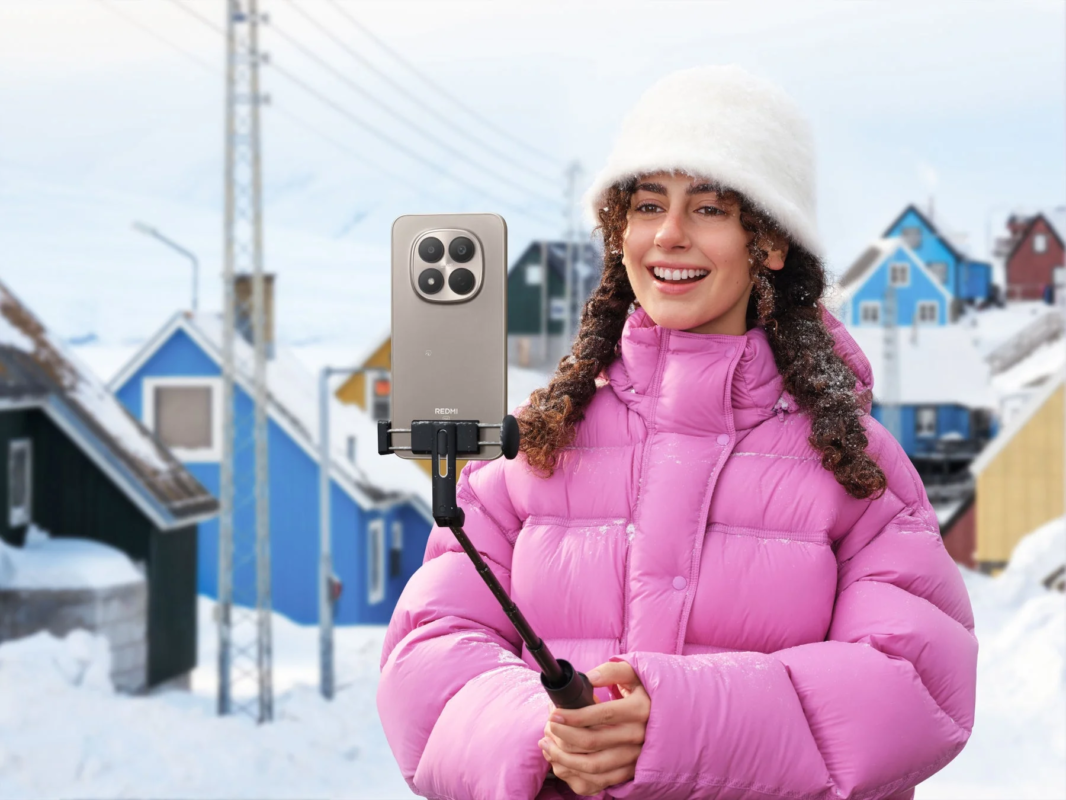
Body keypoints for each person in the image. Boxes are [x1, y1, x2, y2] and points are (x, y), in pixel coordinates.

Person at [377, 65, 977, 800]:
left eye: (711, 208)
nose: (669, 235)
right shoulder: (534, 453)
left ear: (773, 243)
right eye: (647, 204)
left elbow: (913, 686)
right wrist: (552, 731)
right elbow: (430, 649)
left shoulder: (857, 471)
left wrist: (678, 722)